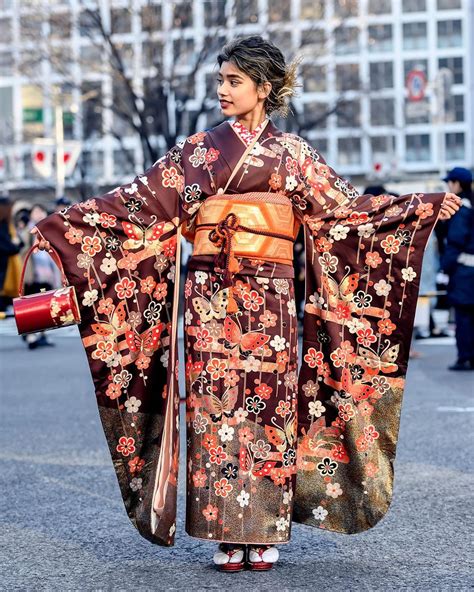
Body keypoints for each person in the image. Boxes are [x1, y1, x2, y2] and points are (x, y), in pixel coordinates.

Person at [29, 36, 460, 572]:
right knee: (214, 410)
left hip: (271, 303)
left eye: (234, 81)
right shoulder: (198, 152)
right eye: (221, 80)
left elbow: (347, 213)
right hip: (210, 298)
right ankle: (224, 533)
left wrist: (419, 208)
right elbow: (136, 206)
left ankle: (264, 529)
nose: (223, 91)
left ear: (265, 87)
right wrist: (61, 226)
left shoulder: (293, 155)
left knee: (269, 408)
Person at [441, 167, 474, 371]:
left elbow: (455, 241)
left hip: (464, 271)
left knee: (463, 316)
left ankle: (465, 357)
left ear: (457, 184)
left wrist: (444, 268)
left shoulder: (462, 210)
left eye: (449, 183)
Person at [20, 204, 58, 349]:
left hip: (46, 275)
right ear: (31, 215)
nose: (39, 214)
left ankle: (42, 335)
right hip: (32, 275)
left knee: (45, 307)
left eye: (41, 211)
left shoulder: (48, 229)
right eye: (35, 211)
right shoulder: (28, 231)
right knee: (29, 307)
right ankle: (30, 335)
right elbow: (22, 248)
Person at [0, 196, 23, 312]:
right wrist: (16, 246)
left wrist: (17, 245)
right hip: (3, 266)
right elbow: (8, 246)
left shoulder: (7, 224)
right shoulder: (3, 225)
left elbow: (19, 242)